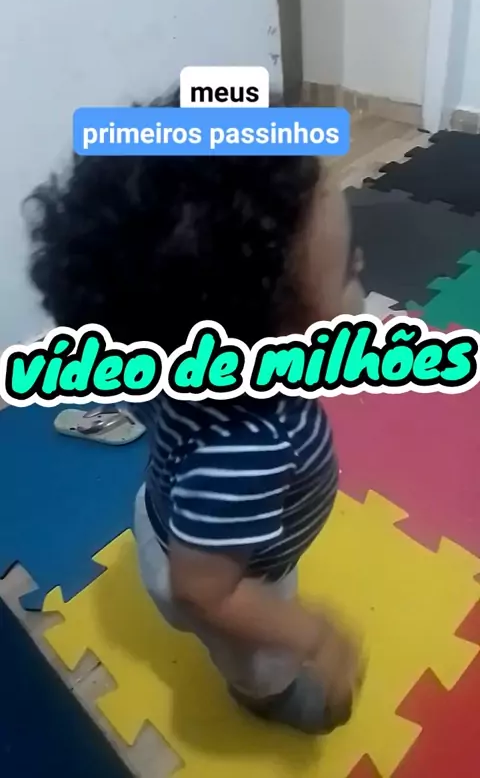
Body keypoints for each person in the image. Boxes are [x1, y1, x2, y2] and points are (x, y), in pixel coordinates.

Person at [26, 91, 365, 735]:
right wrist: (313, 633)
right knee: (258, 659)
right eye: (347, 268)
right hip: (223, 575)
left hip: (181, 519)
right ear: (275, 332)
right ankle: (261, 696)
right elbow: (202, 591)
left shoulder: (180, 357)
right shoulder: (251, 447)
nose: (362, 267)